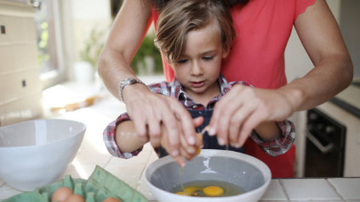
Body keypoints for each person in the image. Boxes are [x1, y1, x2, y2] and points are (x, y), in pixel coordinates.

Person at [98, 0, 353, 177]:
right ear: (167, 53)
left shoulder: (236, 91)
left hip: (262, 177)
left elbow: (338, 63)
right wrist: (140, 104)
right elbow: (115, 139)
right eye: (183, 60)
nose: (196, 71)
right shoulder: (165, 96)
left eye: (207, 57)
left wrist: (282, 100)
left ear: (224, 48)